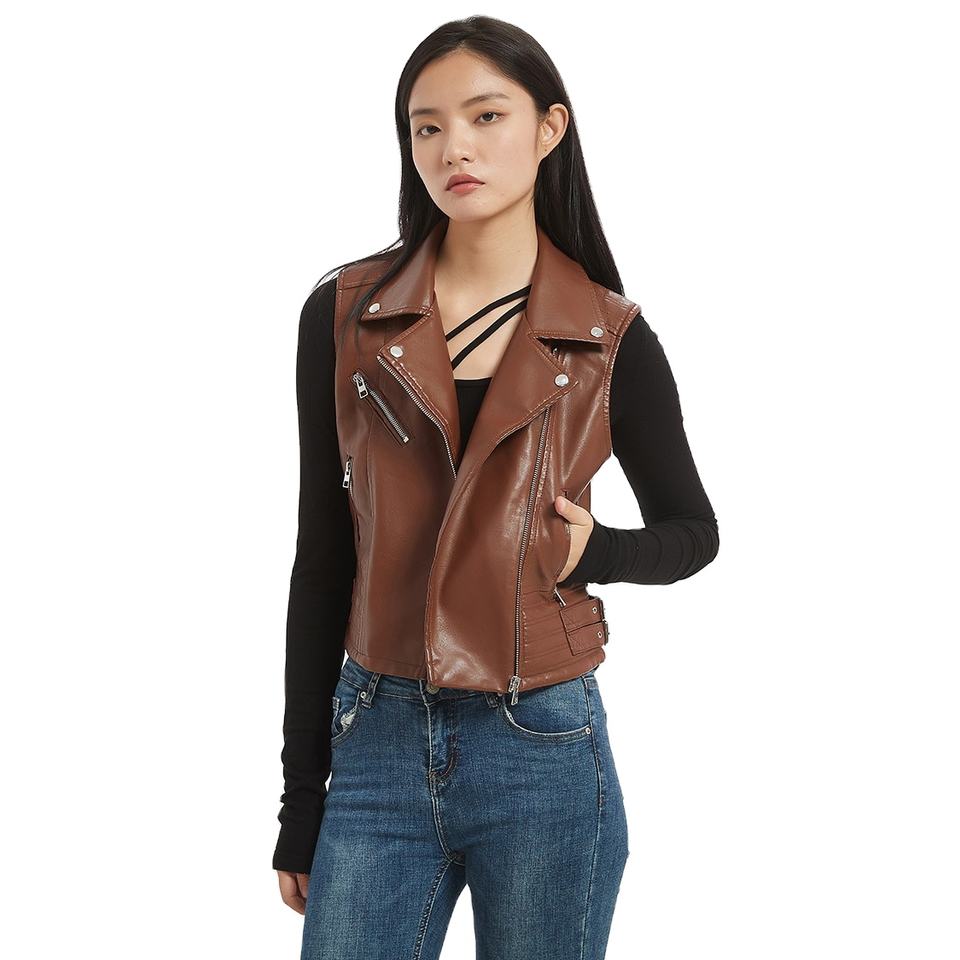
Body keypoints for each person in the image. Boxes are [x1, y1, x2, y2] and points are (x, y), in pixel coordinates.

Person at [274, 16, 720, 960]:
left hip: (543, 746)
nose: (455, 148)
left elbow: (693, 532)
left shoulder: (609, 339)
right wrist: (300, 797)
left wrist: (597, 549)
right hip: (376, 738)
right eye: (427, 126)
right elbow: (323, 559)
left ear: (549, 127)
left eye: (486, 116)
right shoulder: (345, 316)